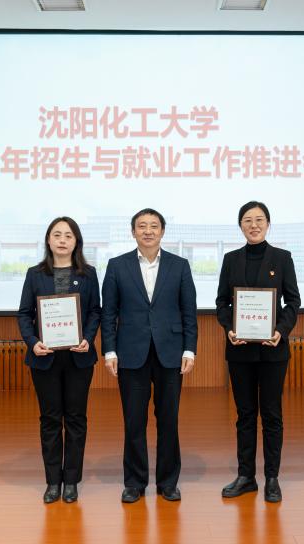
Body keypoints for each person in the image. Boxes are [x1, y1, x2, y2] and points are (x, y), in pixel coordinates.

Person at [101, 208, 198, 503]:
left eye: (153, 226)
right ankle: (134, 482)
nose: (148, 231)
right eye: (141, 226)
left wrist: (189, 349)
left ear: (162, 231)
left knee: (168, 420)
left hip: (170, 352)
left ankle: (168, 482)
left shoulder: (179, 266)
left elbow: (189, 311)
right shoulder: (117, 266)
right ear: (133, 232)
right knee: (134, 421)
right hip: (131, 353)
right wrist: (109, 350)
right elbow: (109, 313)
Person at [215, 201, 301, 503]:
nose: (254, 225)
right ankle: (246, 476)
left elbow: (293, 302)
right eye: (248, 220)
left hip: (273, 350)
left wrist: (281, 330)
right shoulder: (231, 259)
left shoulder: (282, 258)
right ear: (240, 225)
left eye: (259, 219)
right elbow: (222, 302)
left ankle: (272, 478)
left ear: (268, 224)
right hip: (240, 351)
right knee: (245, 414)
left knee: (272, 414)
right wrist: (229, 328)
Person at [17, 217, 101, 504]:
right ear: (48, 240)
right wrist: (33, 342)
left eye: (68, 235)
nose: (62, 240)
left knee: (76, 419)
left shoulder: (88, 274)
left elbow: (95, 311)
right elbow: (24, 313)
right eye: (57, 235)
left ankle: (72, 481)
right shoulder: (35, 274)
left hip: (79, 358)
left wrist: (88, 337)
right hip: (45, 358)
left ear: (76, 242)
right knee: (50, 419)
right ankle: (53, 481)